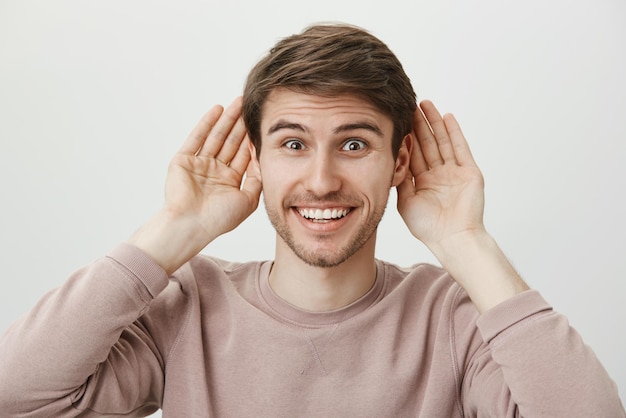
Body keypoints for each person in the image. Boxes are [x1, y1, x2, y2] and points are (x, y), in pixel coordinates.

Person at [0, 23, 623, 418]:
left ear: (397, 158)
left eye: (354, 144)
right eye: (293, 144)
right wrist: (171, 232)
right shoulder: (189, 303)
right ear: (258, 158)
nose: (322, 179)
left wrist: (466, 242)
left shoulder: (454, 316)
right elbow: (17, 395)